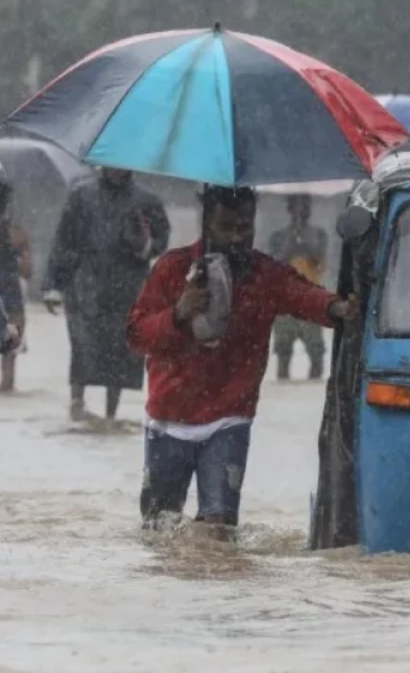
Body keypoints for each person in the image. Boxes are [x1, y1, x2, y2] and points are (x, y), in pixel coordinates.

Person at [127, 187, 358, 532]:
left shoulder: (265, 274)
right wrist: (177, 314)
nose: (238, 236)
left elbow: (304, 295)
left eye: (245, 226)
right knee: (158, 528)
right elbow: (136, 335)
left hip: (228, 420)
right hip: (167, 420)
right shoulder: (171, 270)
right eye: (227, 226)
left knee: (219, 529)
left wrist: (338, 308)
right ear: (206, 223)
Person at [43, 167, 170, 423]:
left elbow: (161, 240)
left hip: (127, 287)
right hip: (84, 285)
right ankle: (76, 406)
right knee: (82, 345)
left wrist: (144, 245)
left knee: (121, 349)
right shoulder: (81, 194)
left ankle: (111, 417)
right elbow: (63, 241)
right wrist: (52, 285)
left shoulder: (146, 200)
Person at [267, 194, 329, 380]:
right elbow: (275, 264)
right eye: (296, 207)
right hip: (285, 301)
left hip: (311, 298)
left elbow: (320, 259)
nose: (301, 211)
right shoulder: (278, 236)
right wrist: (291, 243)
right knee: (284, 353)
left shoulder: (319, 235)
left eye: (305, 207)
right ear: (289, 210)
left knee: (316, 352)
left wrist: (305, 242)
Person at [0, 171, 32, 392]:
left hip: (9, 291)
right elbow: (27, 270)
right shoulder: (13, 231)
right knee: (10, 346)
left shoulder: (14, 231)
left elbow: (27, 269)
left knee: (9, 345)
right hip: (10, 292)